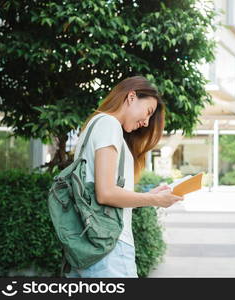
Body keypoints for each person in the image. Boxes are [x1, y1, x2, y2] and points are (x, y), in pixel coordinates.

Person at [65, 75, 183, 278]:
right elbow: (106, 194)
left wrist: (149, 196)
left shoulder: (93, 127)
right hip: (110, 248)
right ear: (131, 97)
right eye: (148, 112)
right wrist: (154, 199)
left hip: (88, 246)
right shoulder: (109, 125)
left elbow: (102, 189)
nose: (146, 122)